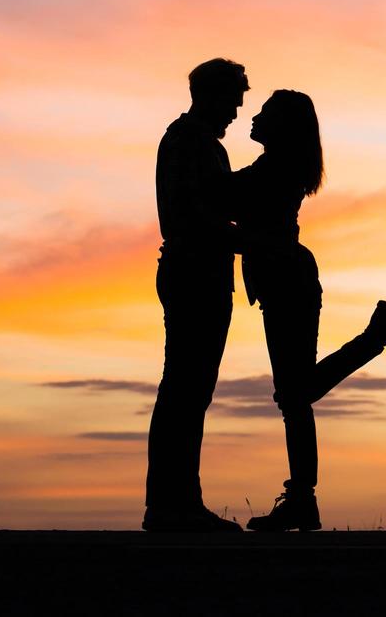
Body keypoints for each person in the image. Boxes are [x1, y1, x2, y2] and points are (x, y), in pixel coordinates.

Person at [233, 89, 386, 532]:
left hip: (288, 281)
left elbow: (230, 202)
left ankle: (379, 333)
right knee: (295, 395)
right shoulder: (277, 166)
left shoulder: (275, 168)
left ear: (283, 125)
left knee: (294, 395)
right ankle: (302, 500)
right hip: (286, 281)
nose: (255, 117)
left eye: (265, 112)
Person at [143, 58, 249, 533]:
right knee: (184, 390)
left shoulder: (197, 142)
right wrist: (243, 238)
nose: (235, 113)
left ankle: (178, 503)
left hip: (199, 273)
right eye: (232, 101)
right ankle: (172, 507)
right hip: (193, 274)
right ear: (209, 95)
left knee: (189, 391)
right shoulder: (189, 142)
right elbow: (191, 215)